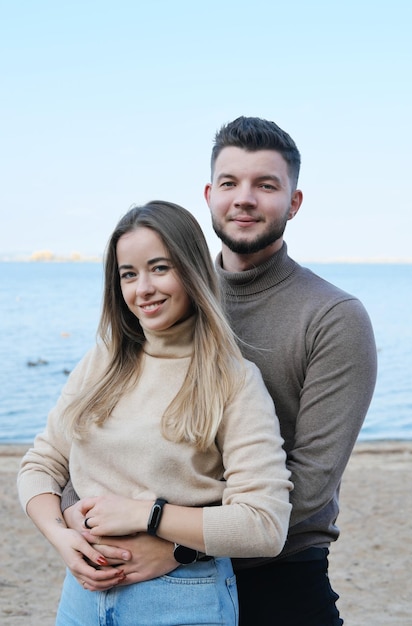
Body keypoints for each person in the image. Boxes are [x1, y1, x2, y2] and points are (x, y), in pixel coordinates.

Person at [60, 117, 378, 625]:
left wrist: (182, 549)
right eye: (230, 183)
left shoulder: (333, 318)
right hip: (152, 577)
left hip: (278, 576)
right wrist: (78, 515)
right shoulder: (166, 295)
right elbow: (104, 427)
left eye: (266, 185)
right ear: (209, 196)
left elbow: (310, 486)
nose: (244, 198)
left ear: (294, 203)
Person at [17, 200, 293, 626]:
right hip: (81, 600)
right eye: (128, 274)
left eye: (159, 268)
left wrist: (148, 515)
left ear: (192, 271)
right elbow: (39, 465)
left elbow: (264, 525)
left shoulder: (234, 380)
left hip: (184, 597)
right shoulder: (101, 362)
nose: (142, 289)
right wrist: (61, 537)